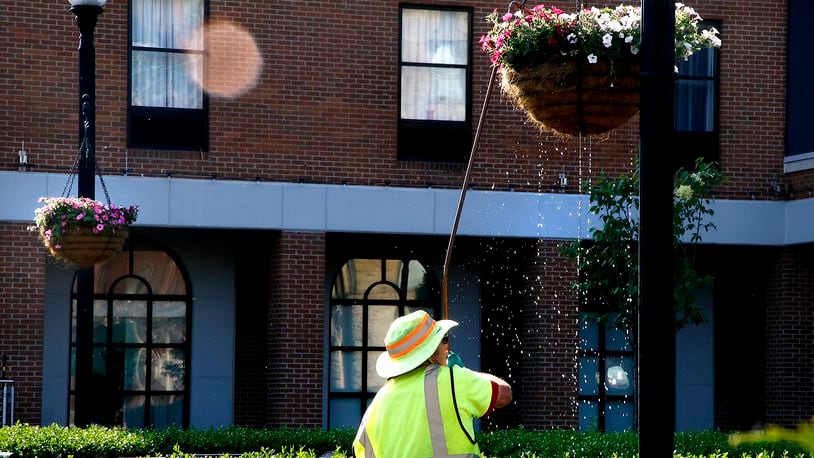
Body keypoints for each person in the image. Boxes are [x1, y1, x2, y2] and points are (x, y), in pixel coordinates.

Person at [353, 310, 512, 457]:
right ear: (433, 354)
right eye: (444, 340)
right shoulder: (452, 379)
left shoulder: (379, 400)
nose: (446, 346)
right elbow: (505, 394)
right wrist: (463, 371)